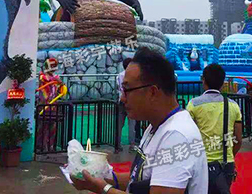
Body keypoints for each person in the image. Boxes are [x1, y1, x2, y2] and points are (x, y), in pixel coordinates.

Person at [72, 49, 208, 194]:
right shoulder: (155, 126)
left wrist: (103, 189)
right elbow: (139, 179)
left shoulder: (177, 136)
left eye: (127, 90)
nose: (122, 98)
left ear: (152, 92)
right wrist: (99, 177)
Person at [187, 64, 243, 194]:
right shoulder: (233, 105)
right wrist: (230, 155)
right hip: (226, 164)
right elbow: (238, 139)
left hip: (201, 164)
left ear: (203, 80)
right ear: (223, 83)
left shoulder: (194, 104)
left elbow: (188, 137)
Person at [116, 57, 138, 152]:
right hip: (131, 101)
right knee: (131, 124)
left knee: (119, 124)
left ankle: (117, 144)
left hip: (121, 100)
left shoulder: (119, 76)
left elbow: (118, 87)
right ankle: (132, 144)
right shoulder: (134, 76)